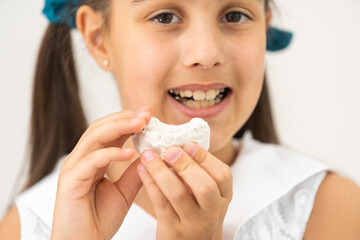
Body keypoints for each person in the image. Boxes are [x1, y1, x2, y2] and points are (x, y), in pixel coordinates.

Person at [1, 0, 360, 239]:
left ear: (264, 30)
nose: (206, 54)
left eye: (234, 15)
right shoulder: (32, 224)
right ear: (99, 39)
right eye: (165, 17)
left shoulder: (328, 207)